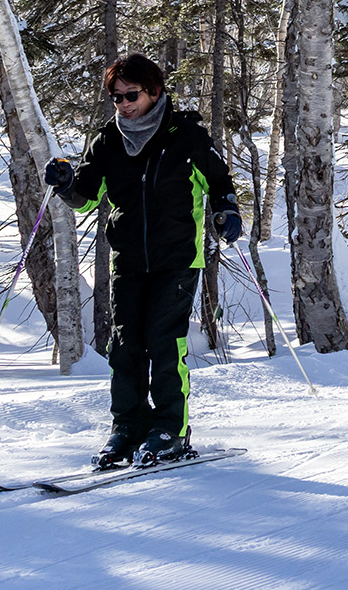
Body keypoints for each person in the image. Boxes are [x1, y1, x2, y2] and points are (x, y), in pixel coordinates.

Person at [44, 54, 243, 469]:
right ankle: (128, 427)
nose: (123, 104)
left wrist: (226, 210)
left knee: (164, 343)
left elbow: (218, 180)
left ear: (154, 91)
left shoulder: (184, 134)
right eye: (116, 97)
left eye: (130, 95)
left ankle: (171, 429)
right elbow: (86, 197)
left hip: (177, 258)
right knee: (125, 346)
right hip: (129, 259)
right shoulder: (108, 141)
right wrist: (65, 183)